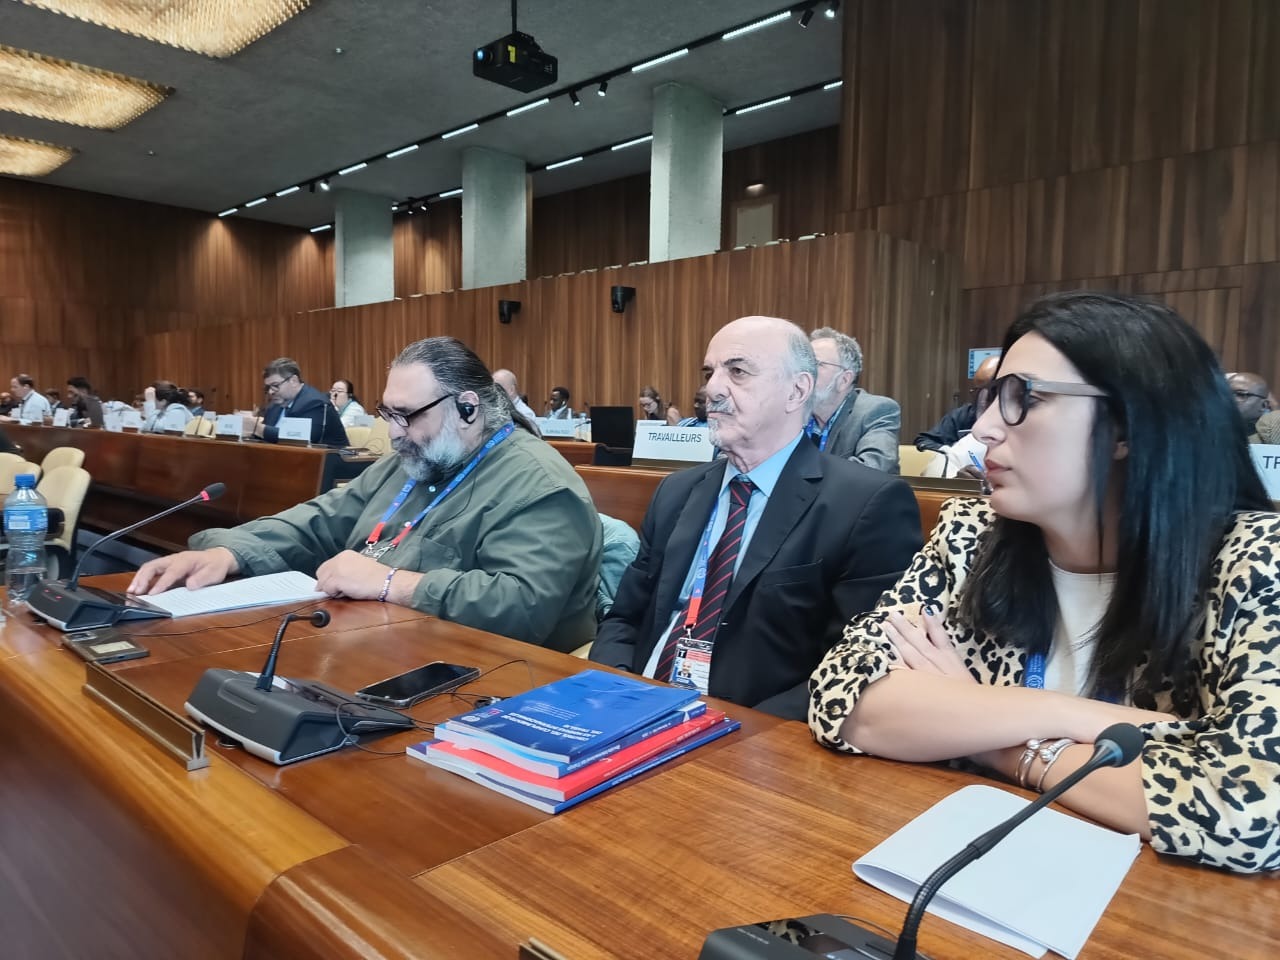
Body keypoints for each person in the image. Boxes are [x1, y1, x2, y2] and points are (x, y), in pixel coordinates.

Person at [809, 291, 1280, 874]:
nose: (982, 428)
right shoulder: (971, 535)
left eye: (1023, 398)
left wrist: (990, 733)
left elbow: (1249, 809)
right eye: (990, 398)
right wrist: (1070, 717)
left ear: (1127, 426)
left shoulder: (1255, 562)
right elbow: (843, 697)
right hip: (969, 868)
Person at [128, 337, 603, 652]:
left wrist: (390, 582)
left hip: (493, 678)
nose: (393, 433)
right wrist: (231, 552)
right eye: (386, 414)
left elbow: (521, 606)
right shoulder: (415, 459)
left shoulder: (539, 484)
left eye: (406, 416)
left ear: (467, 408)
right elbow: (321, 519)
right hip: (380, 644)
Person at [591, 316, 923, 720]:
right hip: (632, 708)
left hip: (754, 731)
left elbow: (860, 666)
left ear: (797, 391)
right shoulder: (676, 491)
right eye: (710, 373)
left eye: (737, 371)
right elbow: (624, 618)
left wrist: (742, 734)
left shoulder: (865, 504)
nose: (712, 389)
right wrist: (614, 691)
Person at [806, 328, 900, 473]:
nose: (803, 371)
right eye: (803, 363)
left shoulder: (876, 410)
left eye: (816, 364)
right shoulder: (792, 411)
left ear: (844, 379)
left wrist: (804, 475)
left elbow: (873, 467)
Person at [915, 355, 1001, 456]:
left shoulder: (1014, 419)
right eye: (977, 391)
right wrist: (954, 452)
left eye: (991, 392)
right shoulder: (963, 415)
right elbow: (923, 441)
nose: (982, 400)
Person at [253, 358, 348, 447]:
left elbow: (301, 439)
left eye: (275, 385)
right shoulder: (275, 405)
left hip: (328, 457)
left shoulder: (314, 402)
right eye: (268, 387)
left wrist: (259, 429)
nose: (270, 392)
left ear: (293, 381)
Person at [492, 369, 541, 435]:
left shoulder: (525, 414)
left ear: (511, 390)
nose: (493, 393)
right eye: (492, 388)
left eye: (497, 388)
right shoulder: (495, 410)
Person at [1227, 371, 1271, 442]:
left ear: (1264, 405)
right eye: (1226, 393)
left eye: (1240, 394)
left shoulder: (1271, 434)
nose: (1229, 399)